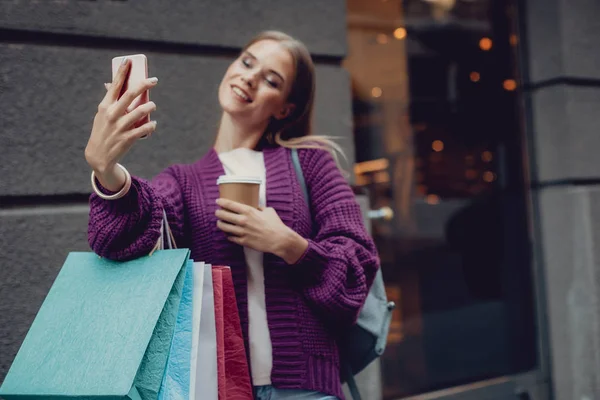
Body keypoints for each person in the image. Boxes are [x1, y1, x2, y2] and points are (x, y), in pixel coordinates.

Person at [85, 30, 380, 400]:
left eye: (272, 80)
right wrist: (107, 171)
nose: (251, 77)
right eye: (247, 62)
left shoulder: (311, 164)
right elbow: (121, 238)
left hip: (305, 388)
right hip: (219, 388)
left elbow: (356, 274)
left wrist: (289, 245)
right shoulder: (185, 181)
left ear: (284, 108)